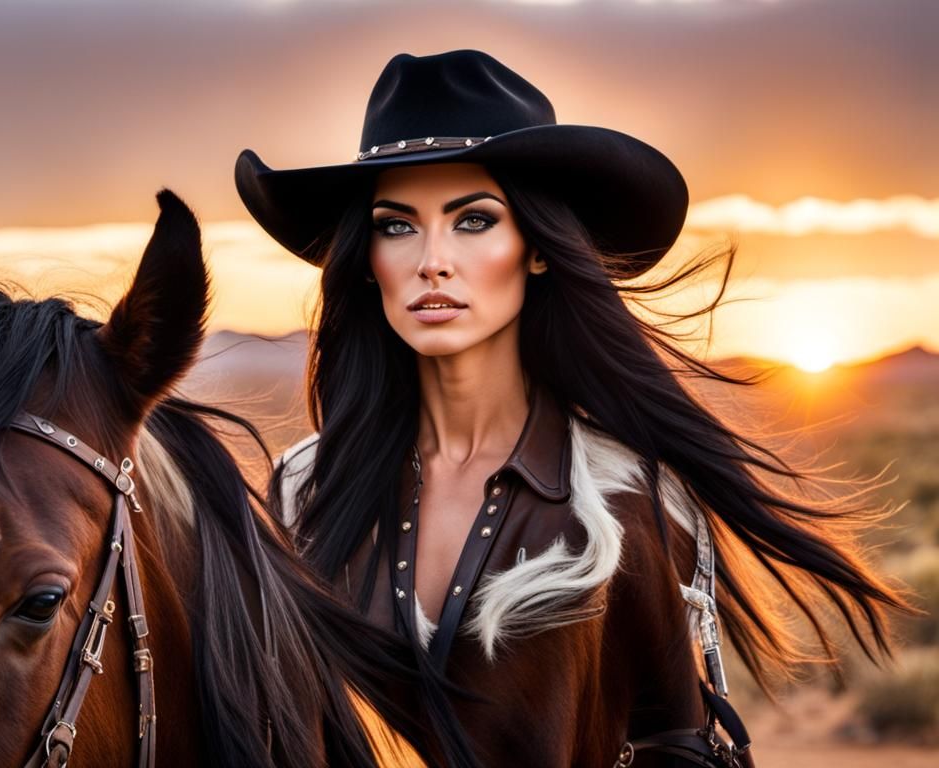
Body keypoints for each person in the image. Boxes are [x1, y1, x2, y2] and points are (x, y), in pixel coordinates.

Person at [234, 50, 914, 766]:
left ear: (536, 248)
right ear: (365, 258)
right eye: (396, 225)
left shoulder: (621, 500)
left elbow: (673, 747)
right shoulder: (301, 488)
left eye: (474, 220)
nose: (432, 259)